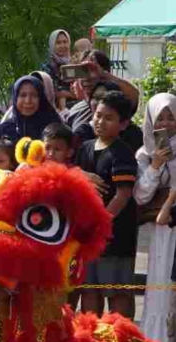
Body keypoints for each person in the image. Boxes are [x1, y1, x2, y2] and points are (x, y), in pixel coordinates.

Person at [76, 91, 138, 319]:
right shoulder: (85, 148)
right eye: (98, 115)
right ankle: (91, 341)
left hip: (115, 235)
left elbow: (123, 194)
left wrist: (102, 223)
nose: (100, 121)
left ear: (123, 124)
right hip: (88, 235)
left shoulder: (122, 153)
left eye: (108, 118)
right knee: (89, 288)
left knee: (117, 292)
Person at [134, 93, 176, 342]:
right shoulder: (144, 153)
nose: (166, 123)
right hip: (161, 229)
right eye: (160, 117)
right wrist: (156, 164)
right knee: (160, 283)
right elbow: (140, 196)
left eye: (171, 117)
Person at [64, 50, 141, 134]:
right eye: (82, 71)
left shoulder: (117, 106)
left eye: (91, 70)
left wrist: (104, 74)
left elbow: (134, 96)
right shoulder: (75, 111)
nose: (86, 78)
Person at [72, 81, 144, 152]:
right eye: (95, 97)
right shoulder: (83, 133)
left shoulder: (133, 134)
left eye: (104, 98)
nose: (98, 103)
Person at [0, 75, 62, 141]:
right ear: (15, 98)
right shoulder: (5, 130)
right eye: (23, 95)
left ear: (41, 98)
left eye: (34, 95)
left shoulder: (54, 128)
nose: (28, 101)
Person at [41, 29, 73, 110]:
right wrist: (72, 94)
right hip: (54, 108)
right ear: (52, 45)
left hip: (74, 105)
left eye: (65, 42)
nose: (62, 45)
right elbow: (50, 91)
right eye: (58, 43)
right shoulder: (48, 64)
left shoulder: (73, 61)